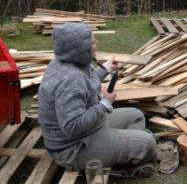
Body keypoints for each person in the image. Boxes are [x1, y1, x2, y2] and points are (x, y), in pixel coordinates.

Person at [38, 23, 156, 177]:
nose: (96, 44)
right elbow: (71, 126)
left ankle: (125, 146)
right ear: (79, 48)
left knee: (136, 115)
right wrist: (105, 104)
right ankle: (131, 151)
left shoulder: (66, 62)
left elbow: (85, 83)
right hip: (73, 148)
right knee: (149, 143)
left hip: (90, 129)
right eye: (92, 42)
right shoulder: (70, 79)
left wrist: (105, 69)